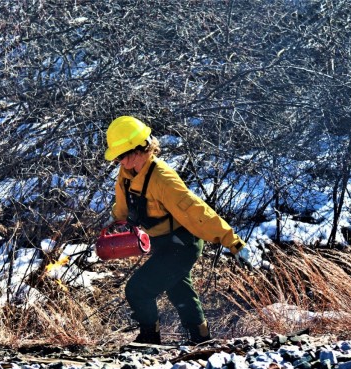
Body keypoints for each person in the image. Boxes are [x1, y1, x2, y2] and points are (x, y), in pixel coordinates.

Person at [105, 115, 251, 345]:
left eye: (121, 156)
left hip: (183, 244)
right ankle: (201, 340)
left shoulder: (163, 179)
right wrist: (112, 225)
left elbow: (197, 212)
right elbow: (122, 210)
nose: (119, 162)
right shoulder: (126, 176)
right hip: (162, 243)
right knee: (179, 291)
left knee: (138, 289)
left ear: (138, 150)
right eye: (117, 158)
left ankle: (149, 340)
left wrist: (232, 242)